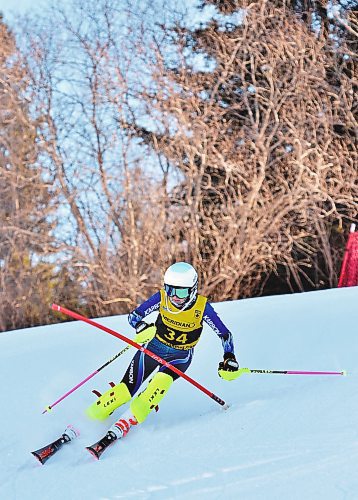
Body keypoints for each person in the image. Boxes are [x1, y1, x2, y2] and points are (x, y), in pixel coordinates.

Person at [86, 262, 240, 439]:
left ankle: (128, 420)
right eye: (170, 289)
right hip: (153, 348)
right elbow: (134, 317)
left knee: (158, 386)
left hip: (179, 357)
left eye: (181, 292)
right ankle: (88, 418)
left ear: (192, 289)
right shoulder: (162, 298)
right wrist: (141, 326)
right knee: (124, 390)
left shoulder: (202, 307)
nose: (174, 297)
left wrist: (229, 356)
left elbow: (225, 334)